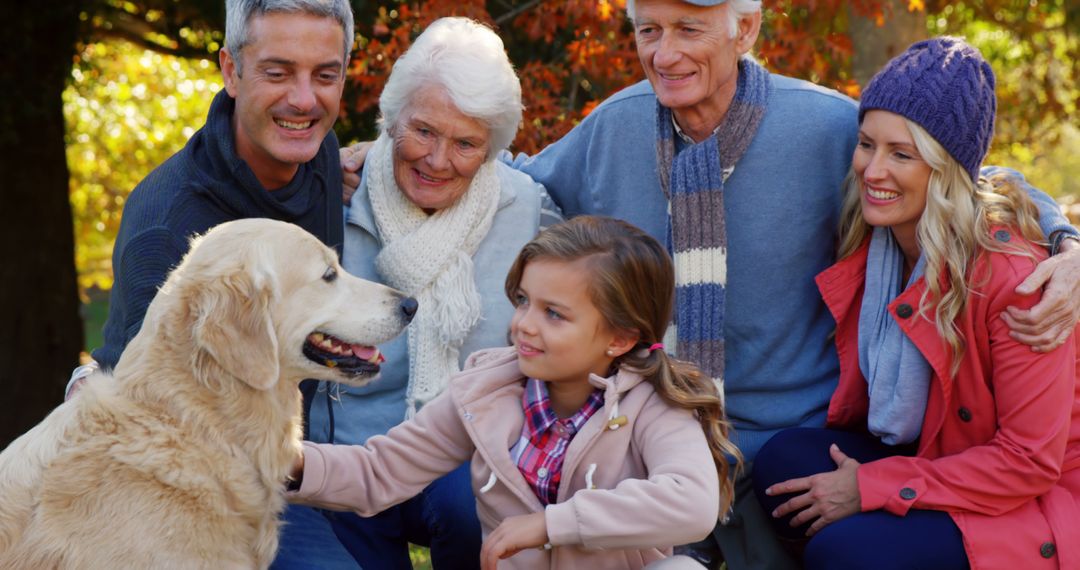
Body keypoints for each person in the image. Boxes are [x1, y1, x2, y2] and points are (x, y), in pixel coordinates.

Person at [340, 1, 1080, 566]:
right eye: (648, 31)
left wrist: (1070, 242)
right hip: (642, 427)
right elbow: (510, 174)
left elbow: (963, 172)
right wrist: (386, 150)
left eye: (690, 29)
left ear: (746, 30)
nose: (664, 54)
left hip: (784, 433)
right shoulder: (617, 127)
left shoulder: (827, 130)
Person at [751, 37, 1079, 569]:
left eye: (902, 154)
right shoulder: (878, 242)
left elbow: (1028, 463)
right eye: (866, 144)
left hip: (1032, 498)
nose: (873, 171)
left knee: (846, 553)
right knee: (783, 466)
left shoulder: (1016, 282)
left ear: (947, 169)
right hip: (940, 451)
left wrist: (874, 487)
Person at [285, 215, 739, 569]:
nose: (524, 323)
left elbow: (693, 503)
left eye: (554, 314)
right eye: (523, 300)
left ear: (619, 339)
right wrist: (284, 460)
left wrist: (551, 525)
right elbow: (379, 470)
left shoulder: (653, 405)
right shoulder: (485, 392)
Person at [272, 17, 561, 570]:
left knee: (467, 506)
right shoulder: (332, 191)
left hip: (463, 457)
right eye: (423, 130)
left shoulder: (527, 210)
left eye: (466, 143)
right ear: (392, 117)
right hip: (346, 455)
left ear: (493, 150)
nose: (436, 160)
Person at [74, 0, 353, 392]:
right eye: (277, 73)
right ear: (231, 71)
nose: (305, 100)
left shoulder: (318, 151)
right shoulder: (163, 229)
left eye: (325, 75)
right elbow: (140, 407)